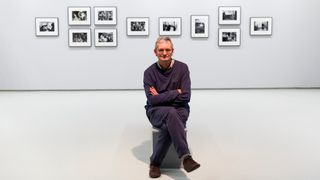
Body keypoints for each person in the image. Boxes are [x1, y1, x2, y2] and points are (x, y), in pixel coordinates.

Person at [143, 36, 200, 178]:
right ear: (155, 52)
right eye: (160, 50)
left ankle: (155, 163)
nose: (164, 53)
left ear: (172, 51)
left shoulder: (183, 68)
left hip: (180, 110)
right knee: (170, 113)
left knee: (169, 120)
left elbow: (186, 97)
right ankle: (186, 157)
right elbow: (152, 100)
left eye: (167, 50)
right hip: (155, 111)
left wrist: (161, 97)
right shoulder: (149, 73)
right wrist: (176, 92)